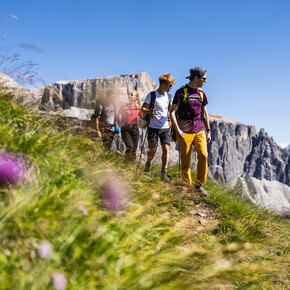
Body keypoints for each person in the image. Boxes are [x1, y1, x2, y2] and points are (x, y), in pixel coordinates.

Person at [170, 67, 211, 196]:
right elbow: (172, 112)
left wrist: (208, 130)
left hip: (199, 129)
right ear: (196, 78)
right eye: (203, 78)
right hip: (184, 131)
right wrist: (177, 130)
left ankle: (199, 185)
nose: (205, 81)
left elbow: (205, 113)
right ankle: (187, 187)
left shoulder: (201, 93)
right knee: (186, 160)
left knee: (204, 155)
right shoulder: (181, 92)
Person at [141, 73, 175, 180]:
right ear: (163, 84)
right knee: (153, 149)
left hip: (165, 127)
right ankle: (148, 164)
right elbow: (142, 109)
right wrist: (149, 110)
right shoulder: (151, 95)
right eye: (169, 85)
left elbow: (171, 111)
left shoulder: (169, 97)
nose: (171, 88)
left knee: (166, 148)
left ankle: (164, 172)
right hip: (153, 127)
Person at [118, 91, 141, 160]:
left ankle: (131, 165)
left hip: (135, 129)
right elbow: (118, 116)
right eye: (129, 94)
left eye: (131, 95)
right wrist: (119, 121)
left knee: (134, 149)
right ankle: (126, 163)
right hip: (125, 129)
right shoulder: (123, 107)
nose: (129, 95)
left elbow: (142, 117)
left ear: (136, 97)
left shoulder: (138, 107)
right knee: (130, 146)